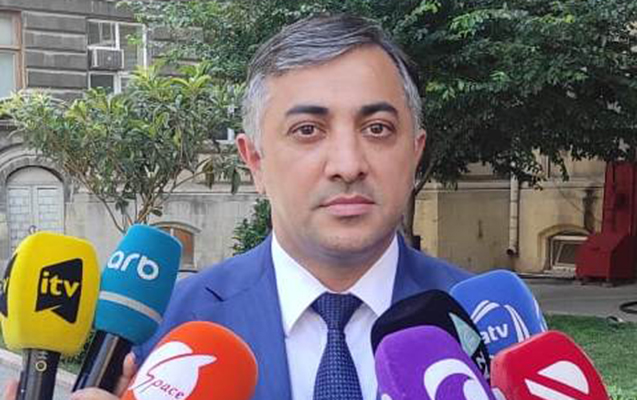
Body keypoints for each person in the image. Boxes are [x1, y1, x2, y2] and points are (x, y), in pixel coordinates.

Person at [3, 14, 470, 400]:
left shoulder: (483, 322)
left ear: (415, 152)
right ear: (255, 162)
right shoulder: (166, 329)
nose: (348, 165)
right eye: (308, 130)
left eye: (378, 128)